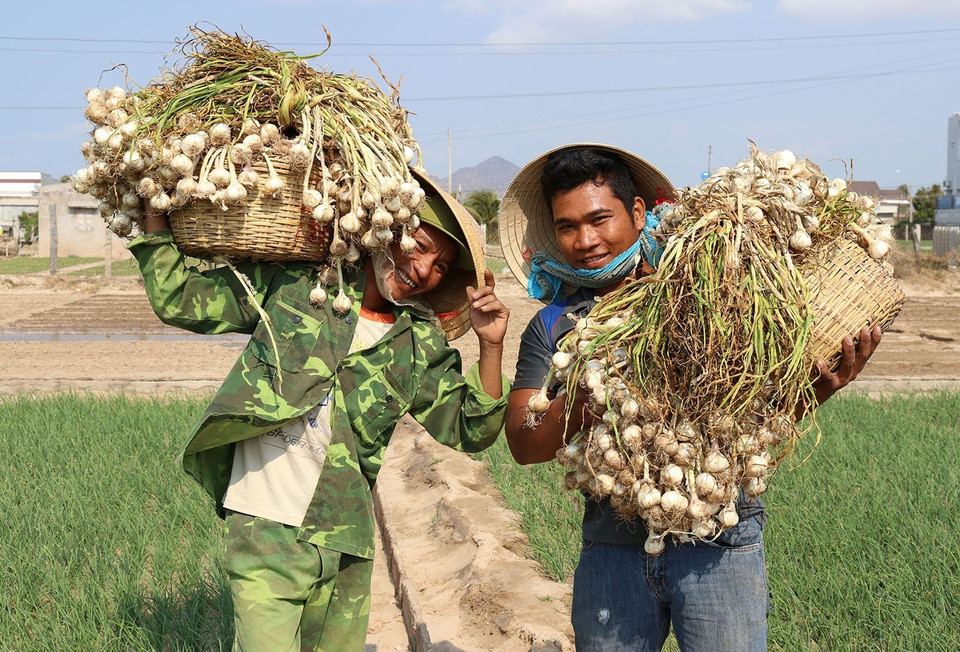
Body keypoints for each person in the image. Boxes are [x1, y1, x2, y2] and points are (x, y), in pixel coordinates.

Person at [498, 144, 881, 651]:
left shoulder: (709, 288)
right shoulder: (554, 325)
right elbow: (524, 444)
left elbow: (752, 415)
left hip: (722, 541)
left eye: (599, 219)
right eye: (567, 227)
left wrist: (816, 391)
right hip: (612, 550)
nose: (585, 240)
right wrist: (592, 393)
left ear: (638, 212)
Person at [128, 169, 510, 651]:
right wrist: (155, 206)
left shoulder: (416, 343)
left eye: (440, 266)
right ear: (388, 229)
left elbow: (470, 428)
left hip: (345, 542)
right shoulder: (297, 285)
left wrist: (491, 345)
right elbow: (181, 299)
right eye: (419, 245)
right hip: (264, 523)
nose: (422, 268)